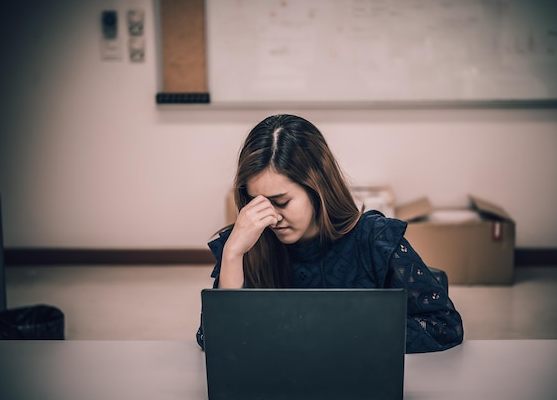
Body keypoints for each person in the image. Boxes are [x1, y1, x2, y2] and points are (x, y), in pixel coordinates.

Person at [196, 114, 463, 353]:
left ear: (317, 188)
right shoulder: (248, 240)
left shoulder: (375, 239)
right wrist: (232, 254)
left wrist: (336, 333)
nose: (272, 218)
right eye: (258, 203)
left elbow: (445, 327)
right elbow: (214, 340)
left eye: (282, 201)